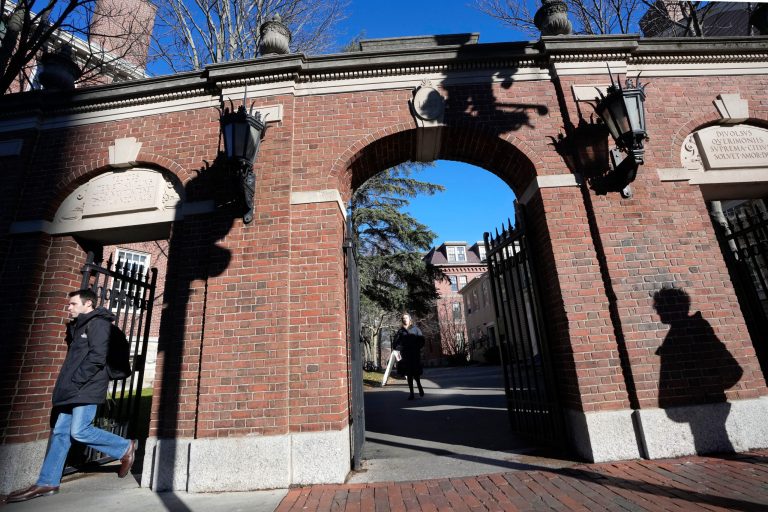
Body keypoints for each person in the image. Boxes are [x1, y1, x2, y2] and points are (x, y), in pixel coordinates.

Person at [6, 289, 137, 504]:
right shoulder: (78, 326)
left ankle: (124, 447)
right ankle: (48, 481)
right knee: (60, 432)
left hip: (86, 386)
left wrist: (76, 380)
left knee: (80, 430)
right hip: (73, 387)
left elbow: (97, 357)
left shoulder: (99, 323)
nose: (69, 308)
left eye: (73, 304)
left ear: (88, 304)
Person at [393, 312, 425, 400]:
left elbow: (422, 340)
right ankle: (411, 393)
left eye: (406, 318)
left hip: (415, 354)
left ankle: (419, 385)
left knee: (416, 373)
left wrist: (417, 347)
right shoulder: (400, 331)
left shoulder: (416, 329)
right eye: (403, 318)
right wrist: (400, 347)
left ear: (409, 319)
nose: (404, 319)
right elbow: (395, 343)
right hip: (406, 355)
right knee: (409, 374)